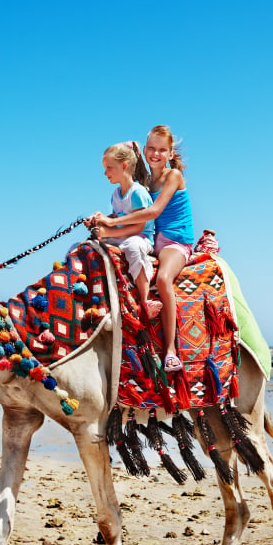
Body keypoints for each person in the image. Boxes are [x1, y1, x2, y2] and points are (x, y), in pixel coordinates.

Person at [91, 126, 194, 373]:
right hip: (153, 238)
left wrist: (113, 223)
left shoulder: (173, 177)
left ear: (170, 153)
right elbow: (130, 209)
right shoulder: (147, 181)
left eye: (161, 150)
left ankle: (170, 350)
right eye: (151, 148)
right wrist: (101, 219)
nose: (155, 154)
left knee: (164, 279)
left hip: (174, 242)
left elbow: (153, 211)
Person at [86, 141, 162, 319]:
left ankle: (145, 300)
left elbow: (139, 224)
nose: (105, 173)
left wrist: (108, 230)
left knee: (133, 247)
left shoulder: (138, 193)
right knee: (91, 246)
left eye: (109, 168)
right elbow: (116, 216)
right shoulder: (115, 195)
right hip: (121, 236)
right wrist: (99, 221)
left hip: (140, 237)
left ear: (124, 166)